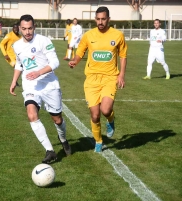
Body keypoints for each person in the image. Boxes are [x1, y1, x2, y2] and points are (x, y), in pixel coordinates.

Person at [10, 14, 71, 164]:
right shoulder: (16, 46)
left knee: (57, 119)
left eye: (30, 28)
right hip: (31, 86)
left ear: (34, 27)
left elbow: (55, 62)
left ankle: (62, 138)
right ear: (20, 28)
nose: (27, 32)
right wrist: (14, 81)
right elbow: (20, 64)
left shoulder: (44, 41)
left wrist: (39, 72)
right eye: (24, 29)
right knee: (31, 114)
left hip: (49, 84)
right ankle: (50, 151)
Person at [68, 7, 127, 152]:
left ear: (108, 19)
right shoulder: (88, 35)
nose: (100, 22)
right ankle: (98, 141)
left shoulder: (118, 35)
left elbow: (123, 56)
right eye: (98, 19)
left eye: (103, 19)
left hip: (109, 78)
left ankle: (111, 120)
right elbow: (80, 52)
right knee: (95, 115)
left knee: (106, 110)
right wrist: (75, 61)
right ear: (95, 19)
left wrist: (121, 75)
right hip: (92, 80)